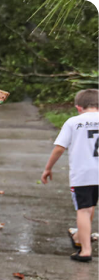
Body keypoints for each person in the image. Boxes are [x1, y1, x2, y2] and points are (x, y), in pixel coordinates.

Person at [42, 89, 99, 262]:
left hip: (83, 174)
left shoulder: (73, 122)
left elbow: (60, 147)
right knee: (91, 207)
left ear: (78, 107)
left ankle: (85, 250)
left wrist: (48, 168)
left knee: (84, 209)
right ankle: (78, 238)